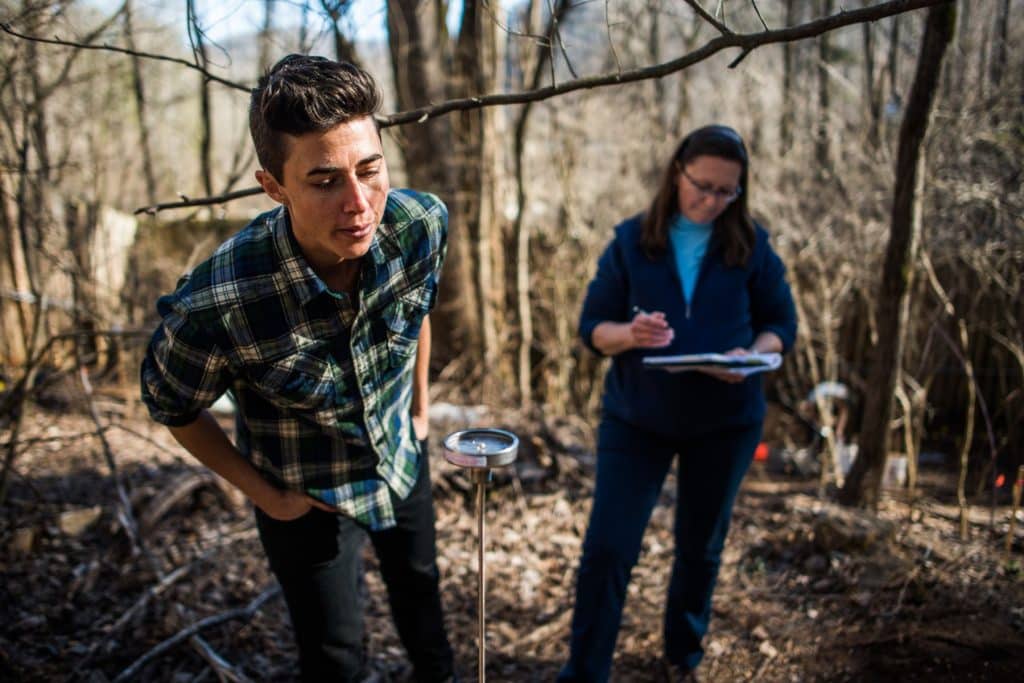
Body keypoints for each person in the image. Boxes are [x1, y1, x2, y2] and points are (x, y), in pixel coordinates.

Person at [141, 54, 456, 683]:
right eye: (324, 181)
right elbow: (171, 405)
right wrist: (267, 497)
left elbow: (418, 311)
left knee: (424, 606)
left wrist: (419, 414)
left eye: (370, 170)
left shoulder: (419, 225)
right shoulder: (217, 302)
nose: (359, 203)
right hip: (303, 496)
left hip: (400, 456)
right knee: (334, 658)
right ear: (273, 185)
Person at [559, 125, 797, 682]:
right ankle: (585, 670)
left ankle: (681, 655)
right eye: (703, 186)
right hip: (637, 418)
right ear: (677, 173)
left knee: (700, 545)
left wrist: (751, 354)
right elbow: (592, 329)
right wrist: (630, 334)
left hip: (726, 422)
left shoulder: (752, 245)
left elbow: (781, 324)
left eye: (726, 192)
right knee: (609, 549)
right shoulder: (630, 241)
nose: (712, 201)